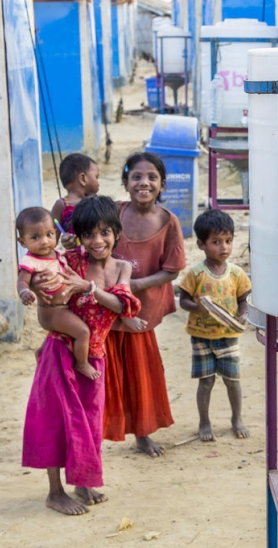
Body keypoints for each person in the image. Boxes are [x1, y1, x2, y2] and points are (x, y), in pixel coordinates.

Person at [22, 196, 140, 515]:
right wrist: (39, 287)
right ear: (79, 237)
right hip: (60, 351)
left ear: (116, 232)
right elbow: (42, 284)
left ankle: (83, 482)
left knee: (89, 422)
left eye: (104, 232)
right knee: (55, 421)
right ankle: (55, 491)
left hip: (94, 356)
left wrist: (87, 288)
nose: (97, 241)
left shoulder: (122, 267)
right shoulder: (68, 261)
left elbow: (122, 306)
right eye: (89, 234)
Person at [106, 152, 186, 457]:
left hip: (142, 312)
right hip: (108, 308)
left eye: (152, 177)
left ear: (162, 184)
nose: (144, 182)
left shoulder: (168, 221)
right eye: (136, 177)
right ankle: (101, 429)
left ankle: (142, 433)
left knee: (140, 374)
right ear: (125, 183)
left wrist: (135, 285)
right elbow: (86, 236)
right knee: (108, 371)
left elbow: (173, 269)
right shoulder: (112, 213)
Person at [177, 209, 252, 441]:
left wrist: (242, 315)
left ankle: (236, 418)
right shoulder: (196, 274)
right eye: (216, 242)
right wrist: (196, 307)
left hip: (228, 335)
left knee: (232, 380)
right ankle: (204, 422)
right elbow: (184, 300)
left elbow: (243, 301)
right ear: (201, 244)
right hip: (201, 336)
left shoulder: (237, 274)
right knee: (206, 381)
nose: (224, 248)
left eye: (228, 241)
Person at [15, 207, 96, 380]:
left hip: (62, 307)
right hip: (52, 311)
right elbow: (22, 280)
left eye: (49, 234)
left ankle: (42, 351)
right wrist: (24, 291)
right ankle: (81, 364)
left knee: (64, 332)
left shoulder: (56, 254)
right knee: (83, 332)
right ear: (22, 242)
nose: (44, 241)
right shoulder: (30, 261)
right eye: (35, 237)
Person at [51, 153, 101, 249]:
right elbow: (51, 239)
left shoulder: (97, 202)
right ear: (83, 178)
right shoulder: (62, 205)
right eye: (96, 177)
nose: (98, 183)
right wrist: (66, 241)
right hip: (74, 260)